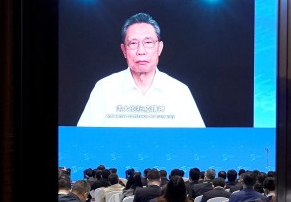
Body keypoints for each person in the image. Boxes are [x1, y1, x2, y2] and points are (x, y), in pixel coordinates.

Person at [76, 12, 205, 127]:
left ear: (159, 48)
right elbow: (83, 139)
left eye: (148, 42)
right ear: (124, 50)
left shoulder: (179, 92)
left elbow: (198, 141)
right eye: (133, 43)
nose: (141, 51)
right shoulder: (104, 89)